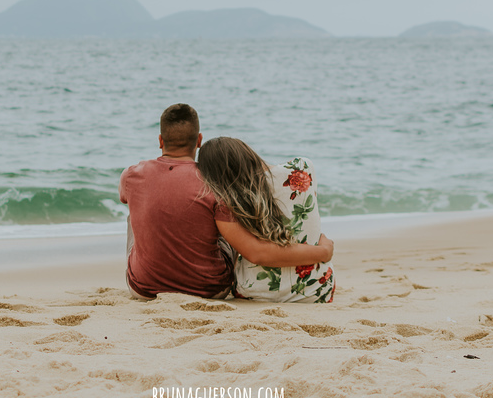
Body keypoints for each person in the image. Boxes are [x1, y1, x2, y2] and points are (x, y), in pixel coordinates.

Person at [119, 104, 333, 299]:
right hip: (209, 290)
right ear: (199, 140)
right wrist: (323, 252)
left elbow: (126, 198)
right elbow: (255, 252)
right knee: (220, 218)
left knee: (134, 212)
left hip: (144, 289)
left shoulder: (131, 175)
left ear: (160, 141)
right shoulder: (214, 182)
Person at [196, 137, 335, 303]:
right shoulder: (302, 168)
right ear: (247, 153)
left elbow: (256, 254)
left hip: (256, 293)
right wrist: (324, 251)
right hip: (316, 291)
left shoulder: (226, 201)